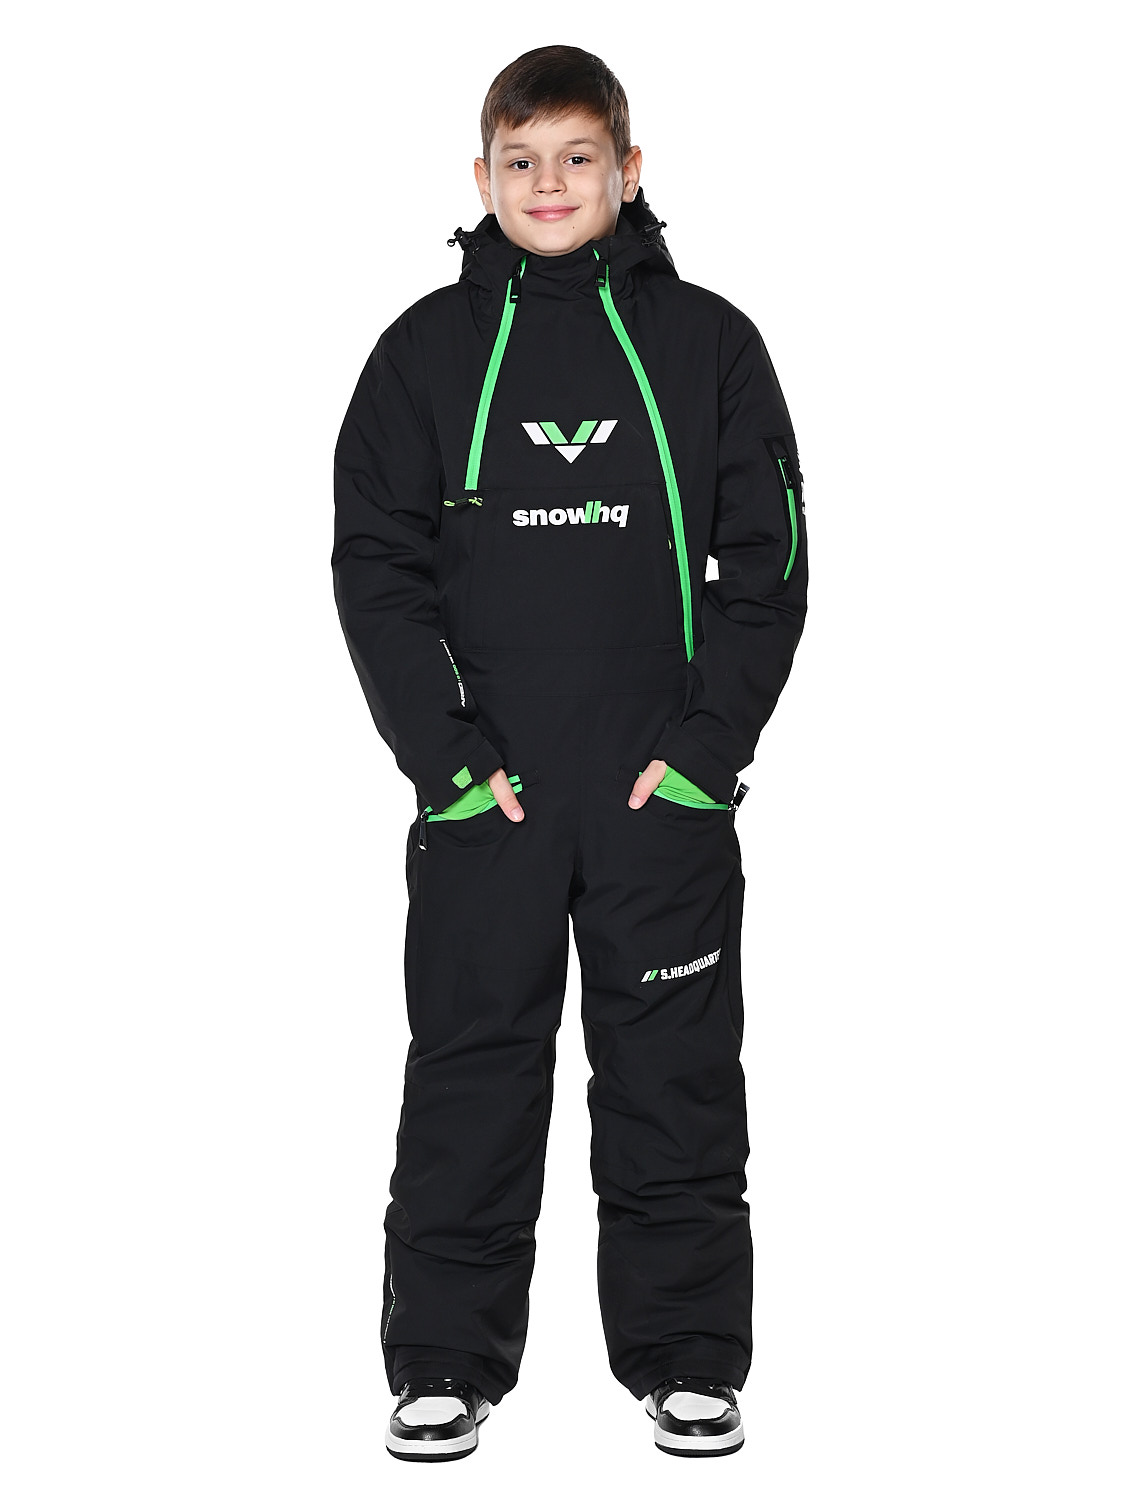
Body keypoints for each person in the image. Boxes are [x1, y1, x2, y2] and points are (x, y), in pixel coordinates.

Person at [331, 43, 808, 1462]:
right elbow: (375, 572)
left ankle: (688, 1358)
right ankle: (442, 1364)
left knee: (675, 1078)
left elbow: (769, 561)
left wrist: (707, 754)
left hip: (659, 795)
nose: (549, 184)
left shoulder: (709, 344)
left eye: (577, 158)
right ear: (483, 178)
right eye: (521, 161)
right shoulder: (424, 352)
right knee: (470, 1074)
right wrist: (445, 766)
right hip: (490, 798)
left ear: (629, 169)